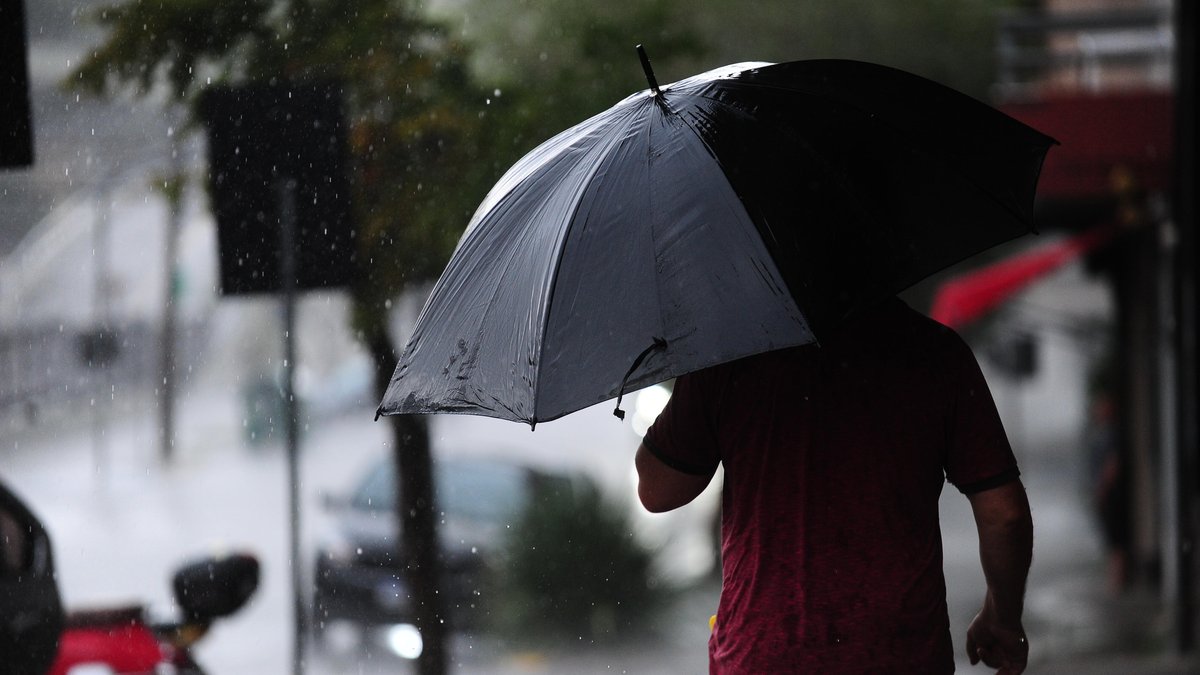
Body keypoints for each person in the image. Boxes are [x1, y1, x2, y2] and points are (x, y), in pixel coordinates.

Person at [635, 297, 1033, 674]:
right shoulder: (936, 353)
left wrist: (691, 364)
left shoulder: (731, 357)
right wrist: (1003, 615)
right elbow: (1006, 516)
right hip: (901, 656)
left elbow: (657, 490)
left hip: (763, 656)